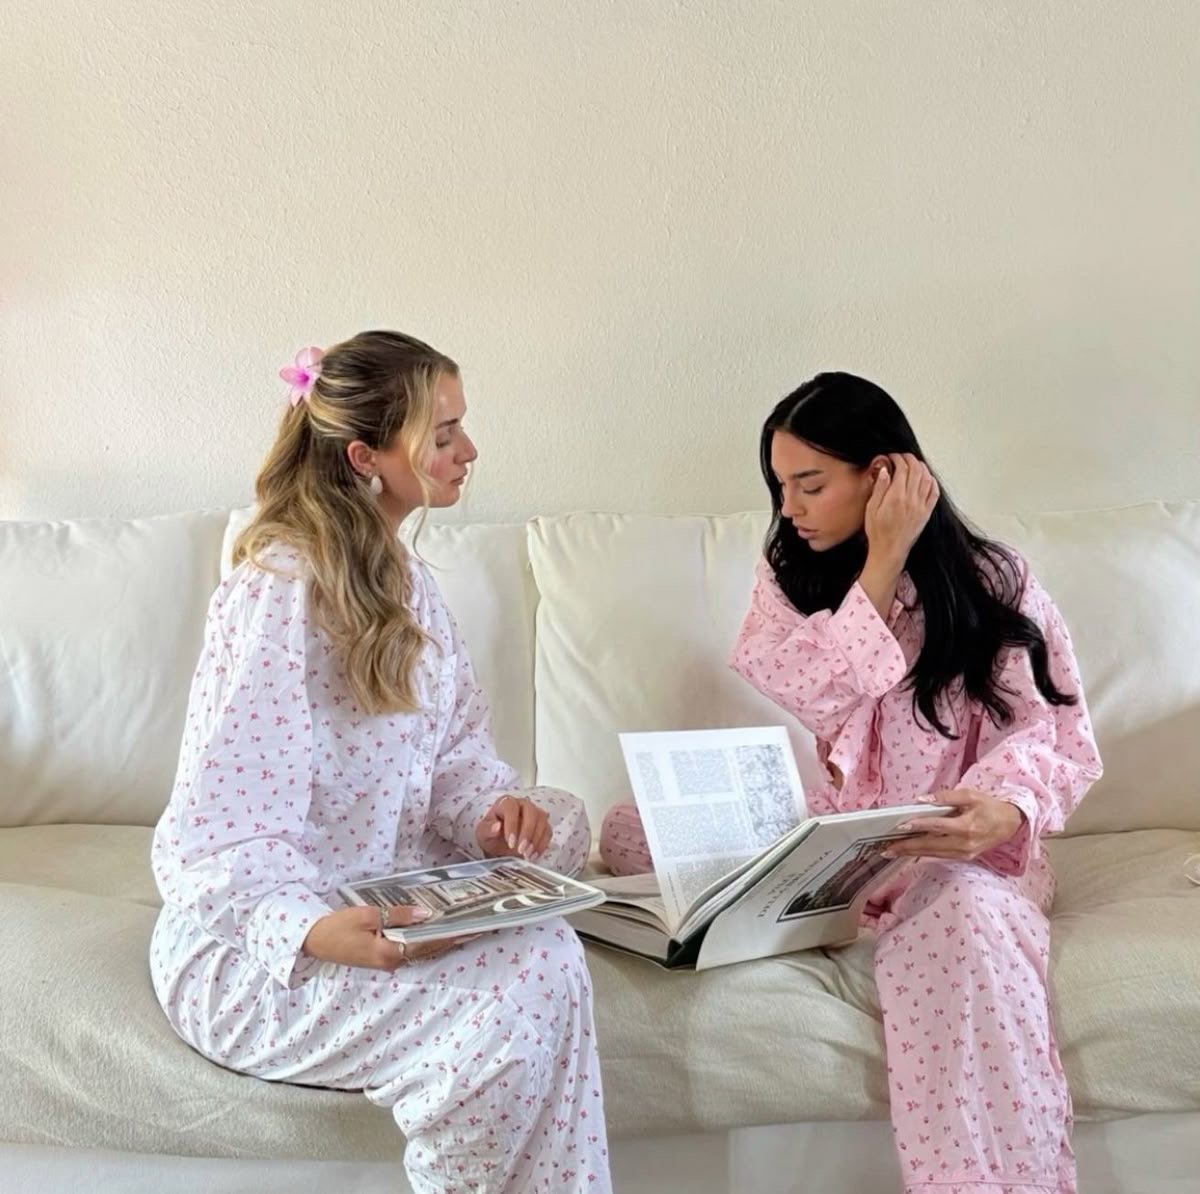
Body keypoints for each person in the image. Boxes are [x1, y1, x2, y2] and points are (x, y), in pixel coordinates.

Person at [599, 371, 1101, 1194]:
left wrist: (1004, 812)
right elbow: (814, 689)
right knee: (632, 828)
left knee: (970, 915)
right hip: (836, 837)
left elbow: (1056, 734)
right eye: (779, 484)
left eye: (810, 483)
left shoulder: (997, 580)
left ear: (887, 475)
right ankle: (816, 904)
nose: (789, 506)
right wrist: (883, 559)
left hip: (954, 852)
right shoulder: (790, 576)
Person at [151, 330, 611, 1193]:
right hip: (254, 946)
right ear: (366, 457)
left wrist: (489, 811)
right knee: (507, 1013)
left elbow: (455, 757)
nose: (468, 451)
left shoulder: (413, 584)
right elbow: (217, 833)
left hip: (376, 903)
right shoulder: (280, 588)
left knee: (549, 952)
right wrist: (308, 929)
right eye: (442, 435)